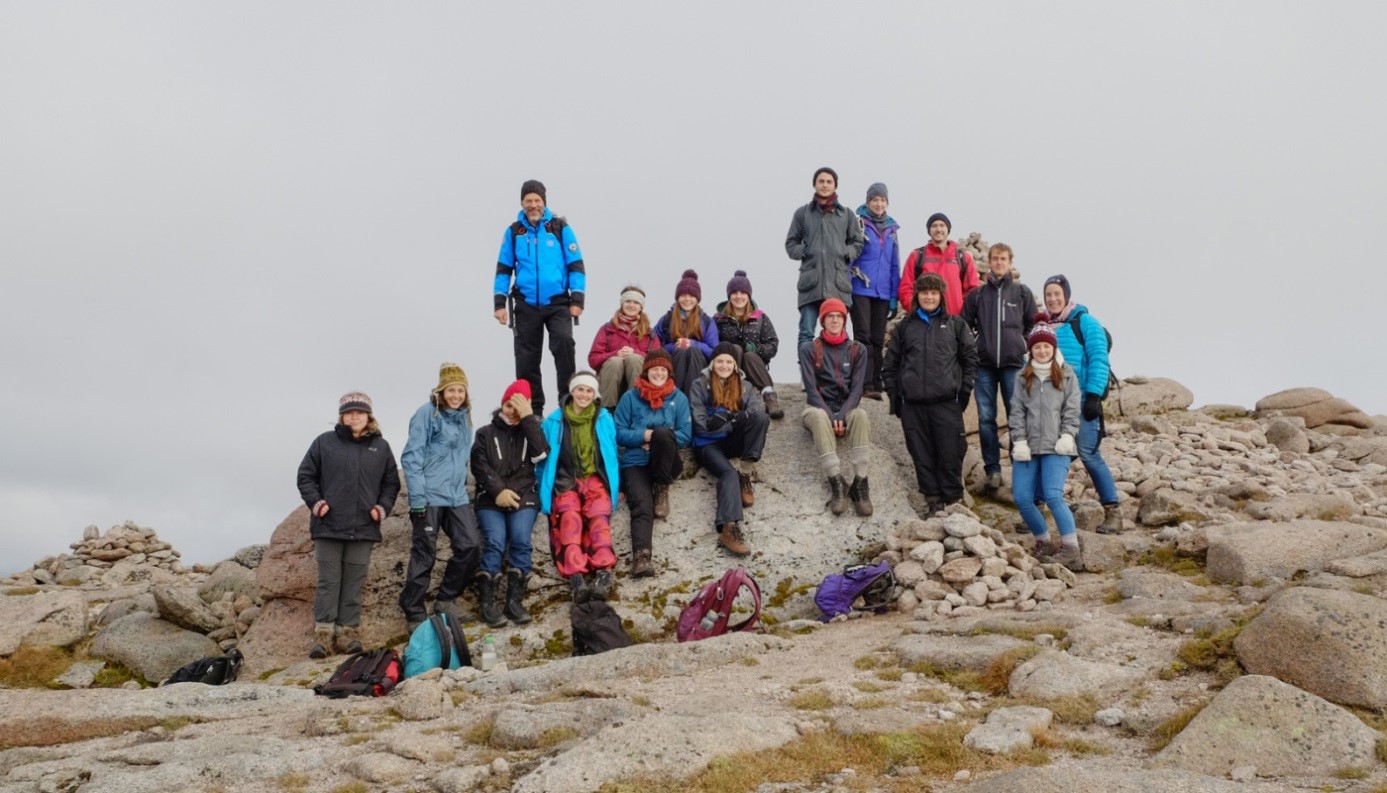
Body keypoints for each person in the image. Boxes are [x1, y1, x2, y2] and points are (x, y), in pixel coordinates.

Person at [296, 391, 400, 659]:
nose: (355, 416)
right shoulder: (324, 443)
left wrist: (382, 508)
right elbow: (306, 476)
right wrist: (316, 503)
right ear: (342, 415)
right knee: (329, 582)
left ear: (369, 416)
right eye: (350, 412)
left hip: (364, 528)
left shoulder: (381, 447)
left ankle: (347, 634)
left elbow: (391, 483)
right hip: (328, 526)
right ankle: (323, 637)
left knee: (354, 582)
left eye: (360, 412)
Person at [883, 274, 978, 515]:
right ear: (917, 296)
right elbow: (890, 365)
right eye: (924, 292)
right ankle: (933, 501)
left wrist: (963, 395)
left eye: (933, 292)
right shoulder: (906, 327)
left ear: (941, 296)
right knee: (921, 455)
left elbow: (970, 360)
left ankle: (954, 501)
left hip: (947, 403)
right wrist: (897, 401)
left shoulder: (956, 325)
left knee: (951, 452)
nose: (929, 296)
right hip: (913, 406)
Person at [399, 363, 483, 632]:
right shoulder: (426, 414)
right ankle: (413, 611)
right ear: (441, 390)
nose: (456, 395)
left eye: (461, 390)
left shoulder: (465, 418)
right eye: (451, 390)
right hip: (429, 496)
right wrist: (417, 497)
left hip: (456, 495)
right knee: (425, 553)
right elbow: (411, 456)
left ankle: (446, 600)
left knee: (470, 546)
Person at [493, 179, 585, 417]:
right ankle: (533, 411)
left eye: (537, 200)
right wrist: (499, 304)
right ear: (522, 203)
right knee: (526, 359)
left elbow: (576, 264)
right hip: (525, 303)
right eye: (528, 201)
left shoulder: (560, 228)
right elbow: (504, 268)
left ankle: (568, 405)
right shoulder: (514, 232)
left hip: (557, 303)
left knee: (564, 345)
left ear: (544, 202)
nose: (533, 205)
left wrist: (577, 300)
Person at [1039, 274, 1123, 534]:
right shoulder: (1045, 327)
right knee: (1052, 454)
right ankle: (1038, 508)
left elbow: (1099, 358)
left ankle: (1114, 513)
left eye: (1056, 294)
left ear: (1066, 295)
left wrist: (1095, 395)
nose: (1052, 299)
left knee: (1088, 453)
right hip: (1056, 406)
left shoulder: (1085, 322)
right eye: (1048, 295)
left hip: (1085, 401)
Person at [470, 379, 548, 627]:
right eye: (509, 405)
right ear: (502, 404)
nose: (512, 411)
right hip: (491, 499)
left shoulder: (531, 429)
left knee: (520, 539)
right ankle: (488, 604)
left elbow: (542, 454)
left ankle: (514, 602)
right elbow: (479, 466)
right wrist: (498, 491)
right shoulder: (484, 433)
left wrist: (528, 420)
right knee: (494, 541)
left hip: (524, 496)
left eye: (518, 406)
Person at [961, 243, 1037, 492]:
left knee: (1017, 418)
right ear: (990, 263)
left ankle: (1019, 468)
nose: (999, 262)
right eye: (995, 258)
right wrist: (976, 344)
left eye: (1003, 259)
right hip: (984, 365)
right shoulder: (978, 295)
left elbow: (1033, 326)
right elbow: (963, 326)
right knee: (985, 419)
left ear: (1010, 261)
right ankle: (993, 470)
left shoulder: (1022, 293)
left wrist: (1021, 343)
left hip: (1013, 364)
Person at [538, 371, 620, 603]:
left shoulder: (603, 418)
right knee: (568, 518)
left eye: (589, 390)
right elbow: (544, 460)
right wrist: (542, 491)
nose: (584, 394)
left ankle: (604, 572)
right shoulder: (554, 421)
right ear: (572, 391)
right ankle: (576, 577)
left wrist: (615, 487)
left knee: (598, 518)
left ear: (595, 395)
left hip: (595, 478)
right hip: (565, 478)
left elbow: (611, 453)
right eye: (580, 389)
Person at [1008, 323, 1083, 571]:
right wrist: (1018, 440)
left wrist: (1067, 436)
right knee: (1022, 498)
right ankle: (1044, 542)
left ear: (1053, 348)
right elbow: (1016, 412)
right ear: (1031, 349)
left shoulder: (1067, 374)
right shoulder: (1022, 376)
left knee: (1052, 495)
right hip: (1027, 447)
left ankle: (1071, 548)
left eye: (1046, 346)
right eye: (1037, 346)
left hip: (1057, 447)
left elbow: (1072, 411)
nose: (1041, 351)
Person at [613, 349, 692, 577]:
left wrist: (658, 439)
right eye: (654, 369)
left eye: (663, 370)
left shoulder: (679, 398)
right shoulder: (630, 397)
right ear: (646, 372)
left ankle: (661, 487)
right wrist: (644, 436)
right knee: (641, 506)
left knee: (662, 433)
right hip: (635, 463)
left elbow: (686, 434)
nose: (658, 373)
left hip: (667, 462)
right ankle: (642, 558)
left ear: (669, 373)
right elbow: (618, 432)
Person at [690, 342, 769, 557]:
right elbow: (700, 424)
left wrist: (731, 419)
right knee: (727, 474)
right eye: (720, 361)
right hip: (707, 444)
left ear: (735, 365)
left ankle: (745, 472)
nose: (724, 365)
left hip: (731, 440)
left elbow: (754, 412)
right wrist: (729, 421)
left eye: (729, 361)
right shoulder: (699, 384)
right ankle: (729, 528)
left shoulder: (745, 386)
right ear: (713, 363)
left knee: (761, 418)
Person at [800, 298, 873, 516]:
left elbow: (857, 389)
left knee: (860, 415)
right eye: (829, 316)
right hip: (817, 408)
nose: (834, 320)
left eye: (838, 316)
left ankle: (860, 482)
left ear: (844, 320)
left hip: (847, 407)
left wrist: (841, 415)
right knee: (820, 418)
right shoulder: (809, 349)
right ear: (823, 320)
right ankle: (837, 482)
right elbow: (812, 391)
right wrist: (832, 417)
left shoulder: (857, 350)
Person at [785, 166, 866, 346]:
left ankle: (838, 373)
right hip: (811, 283)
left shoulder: (846, 214)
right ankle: (807, 374)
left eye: (829, 181)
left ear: (835, 185)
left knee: (839, 333)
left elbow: (857, 243)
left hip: (838, 284)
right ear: (815, 184)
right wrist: (806, 251)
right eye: (821, 181)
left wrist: (845, 252)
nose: (825, 185)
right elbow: (791, 244)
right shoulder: (803, 214)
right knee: (806, 332)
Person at [848, 182, 900, 400]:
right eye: (874, 200)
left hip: (883, 292)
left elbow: (894, 264)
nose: (878, 204)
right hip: (860, 288)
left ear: (887, 202)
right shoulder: (857, 223)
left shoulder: (892, 230)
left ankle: (876, 383)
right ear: (868, 201)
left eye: (882, 200)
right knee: (863, 337)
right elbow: (848, 254)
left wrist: (894, 297)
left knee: (878, 339)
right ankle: (864, 383)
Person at [713, 270, 784, 419]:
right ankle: (731, 394)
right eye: (735, 293)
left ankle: (769, 397)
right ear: (729, 295)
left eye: (743, 292)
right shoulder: (719, 319)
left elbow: (773, 344)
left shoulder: (760, 317)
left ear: (748, 295)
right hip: (728, 368)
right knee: (736, 349)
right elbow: (713, 343)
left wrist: (758, 348)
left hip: (754, 367)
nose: (739, 296)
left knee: (750, 355)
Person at [588, 285, 661, 406]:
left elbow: (658, 361)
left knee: (634, 359)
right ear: (622, 304)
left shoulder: (650, 334)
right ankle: (607, 410)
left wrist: (636, 353)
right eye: (628, 301)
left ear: (640, 307)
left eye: (636, 302)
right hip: (609, 381)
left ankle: (635, 406)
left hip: (638, 379)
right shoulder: (607, 329)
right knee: (615, 361)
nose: (631, 305)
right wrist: (614, 353)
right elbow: (593, 359)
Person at [897, 212, 979, 316]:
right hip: (924, 321)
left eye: (942, 225)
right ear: (929, 231)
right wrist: (917, 311)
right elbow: (906, 288)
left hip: (955, 320)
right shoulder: (916, 256)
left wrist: (964, 314)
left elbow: (972, 290)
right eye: (934, 226)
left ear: (948, 229)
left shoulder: (963, 258)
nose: (938, 229)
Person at [652, 270, 719, 396]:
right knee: (682, 351)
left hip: (699, 364)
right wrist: (673, 346)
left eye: (692, 296)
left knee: (692, 351)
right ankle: (675, 397)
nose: (687, 299)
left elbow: (714, 352)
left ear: (697, 299)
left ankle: (692, 397)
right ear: (678, 297)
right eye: (683, 295)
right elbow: (654, 346)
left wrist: (693, 344)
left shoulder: (706, 321)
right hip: (674, 363)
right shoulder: (667, 319)